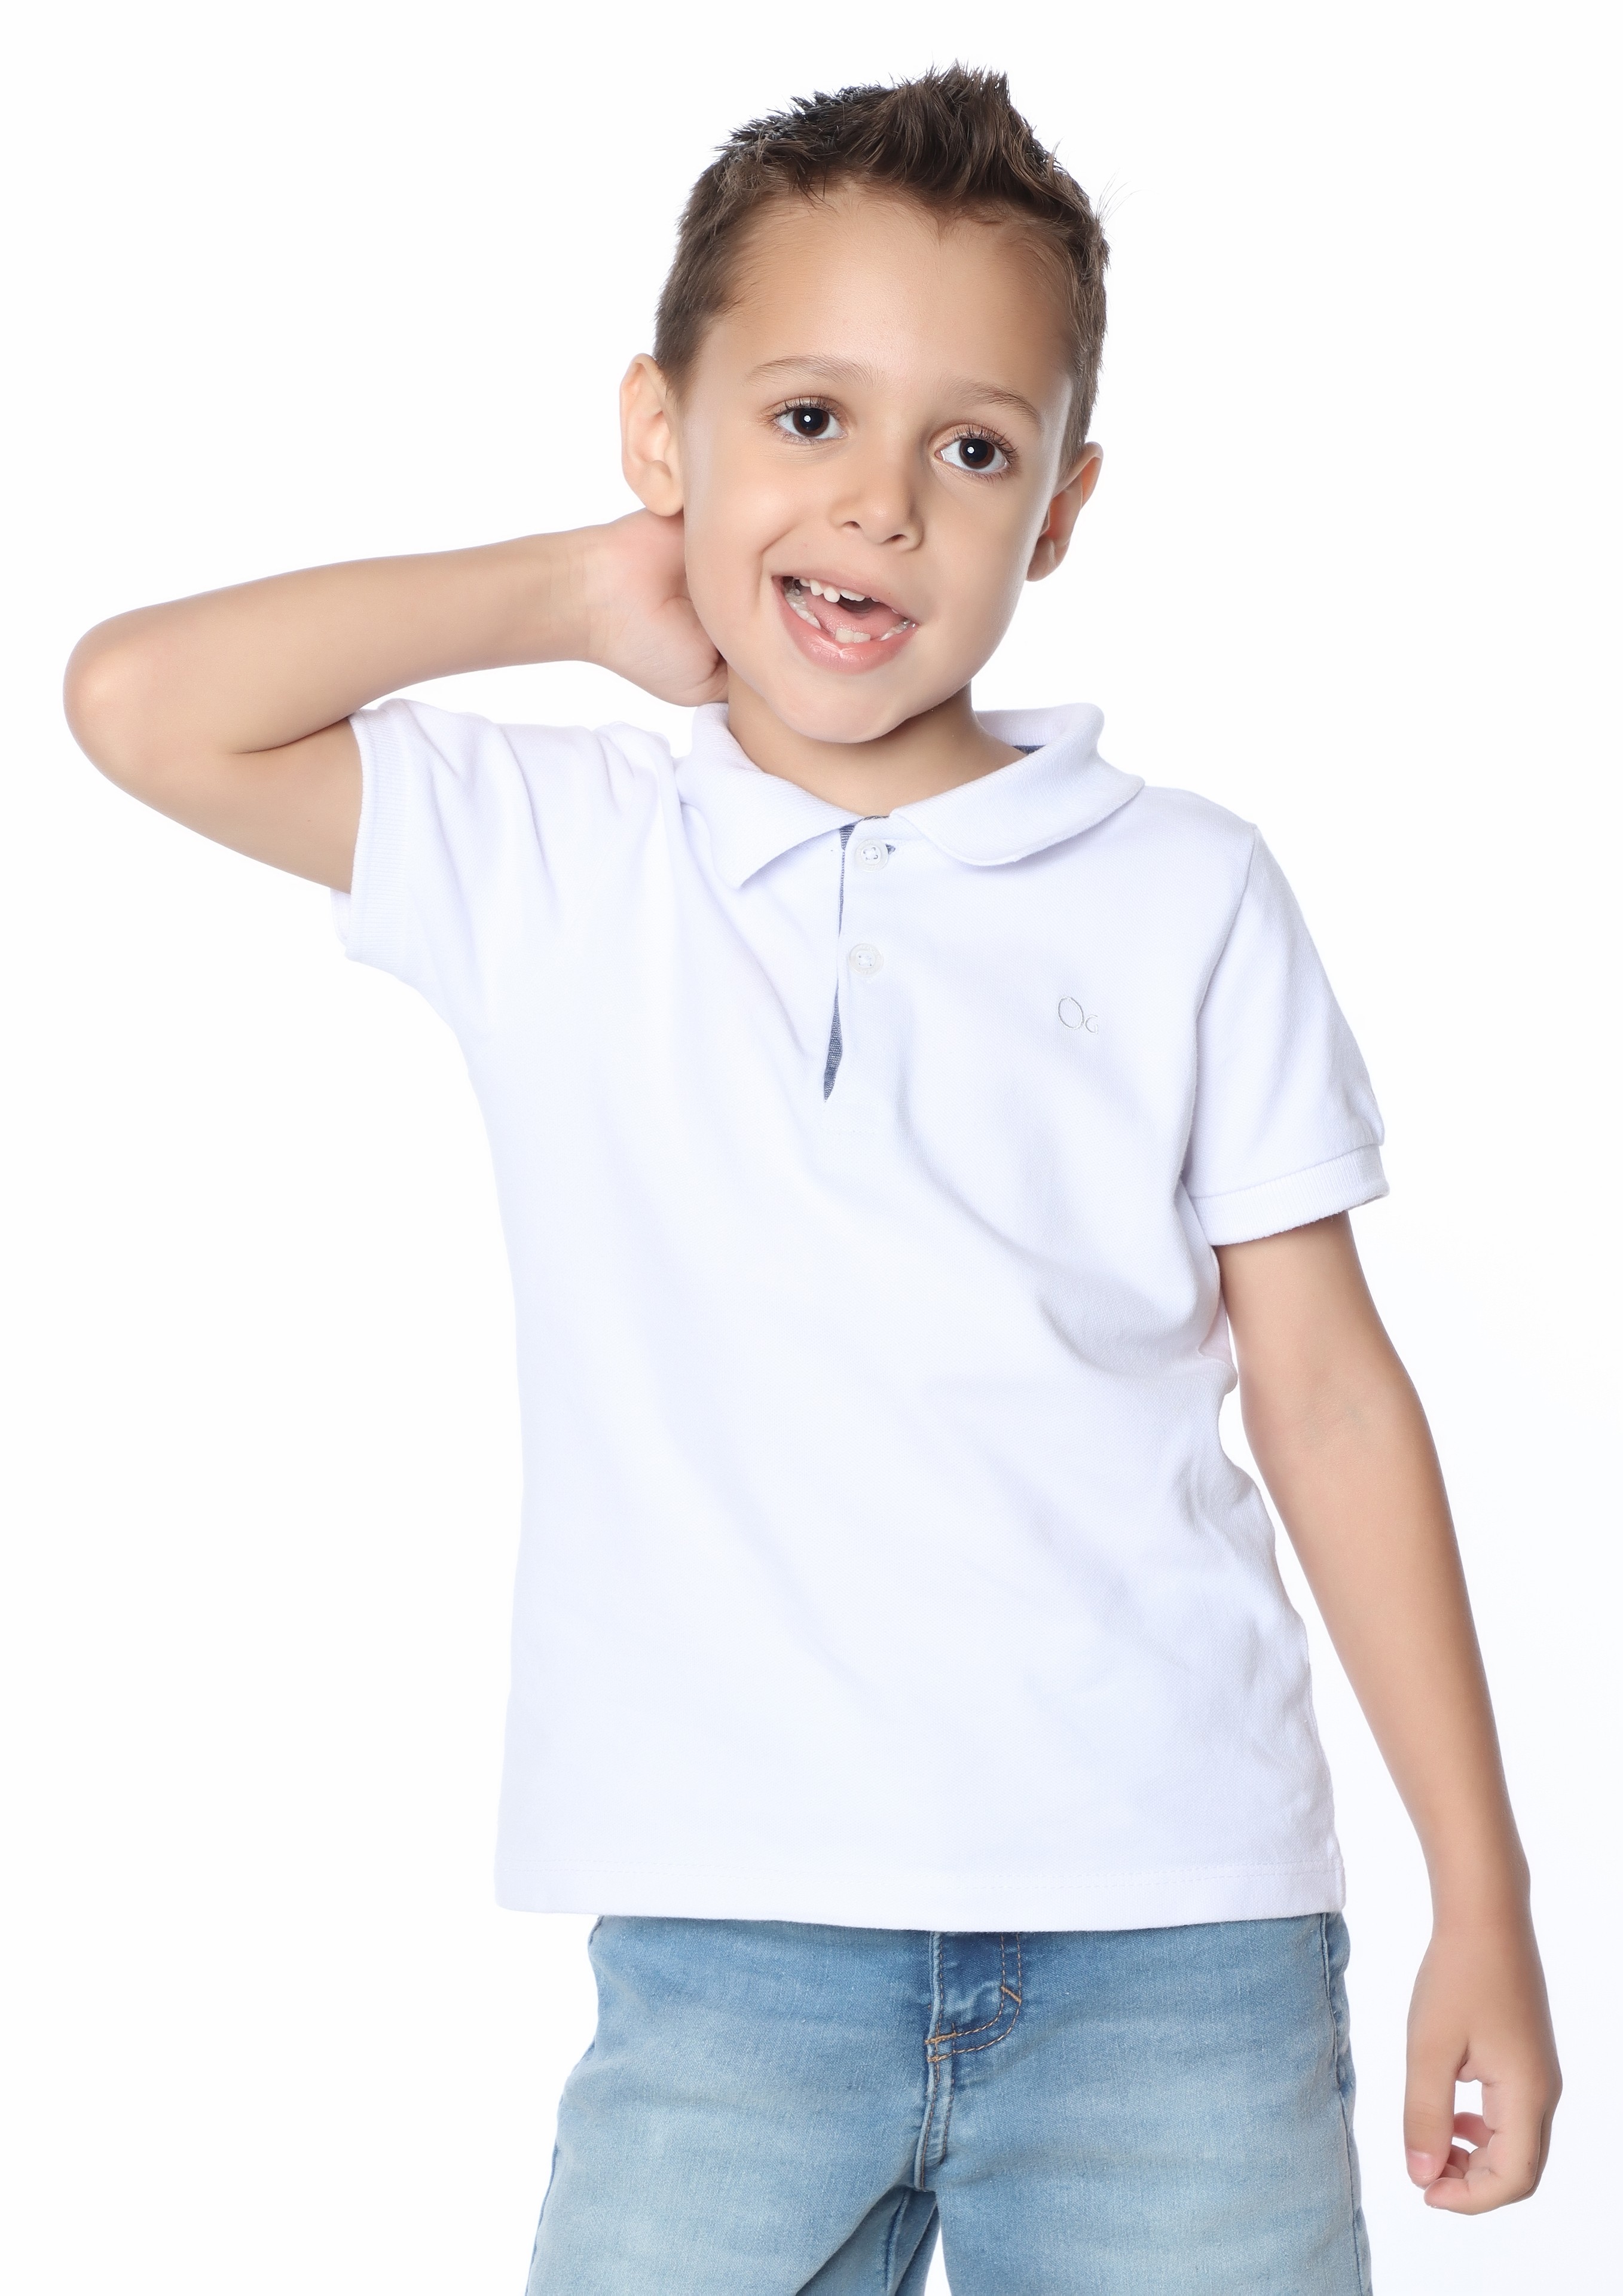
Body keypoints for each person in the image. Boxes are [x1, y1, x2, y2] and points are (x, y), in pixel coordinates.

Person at [63, 65, 1558, 2296]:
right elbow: (140, 701)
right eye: (803, 419)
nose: (878, 504)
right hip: (728, 1962)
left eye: (972, 449)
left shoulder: (1183, 890)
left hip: (1177, 1948)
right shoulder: (558, 853)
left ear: (1060, 509)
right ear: (659, 433)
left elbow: (1330, 1401)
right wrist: (580, 590)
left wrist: (1483, 1899)